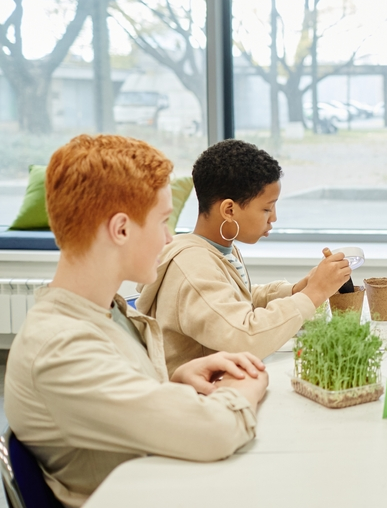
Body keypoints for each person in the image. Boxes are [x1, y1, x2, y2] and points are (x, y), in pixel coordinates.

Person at [4, 135, 268, 507]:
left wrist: (174, 378)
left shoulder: (105, 312)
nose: (168, 238)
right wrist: (245, 389)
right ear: (121, 229)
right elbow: (216, 431)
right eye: (162, 221)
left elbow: (107, 401)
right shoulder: (62, 348)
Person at [136, 139, 352, 374]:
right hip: (201, 395)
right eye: (267, 208)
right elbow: (244, 337)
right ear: (229, 210)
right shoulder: (192, 266)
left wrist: (293, 291)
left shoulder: (219, 249)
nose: (273, 218)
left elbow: (235, 299)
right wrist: (314, 294)